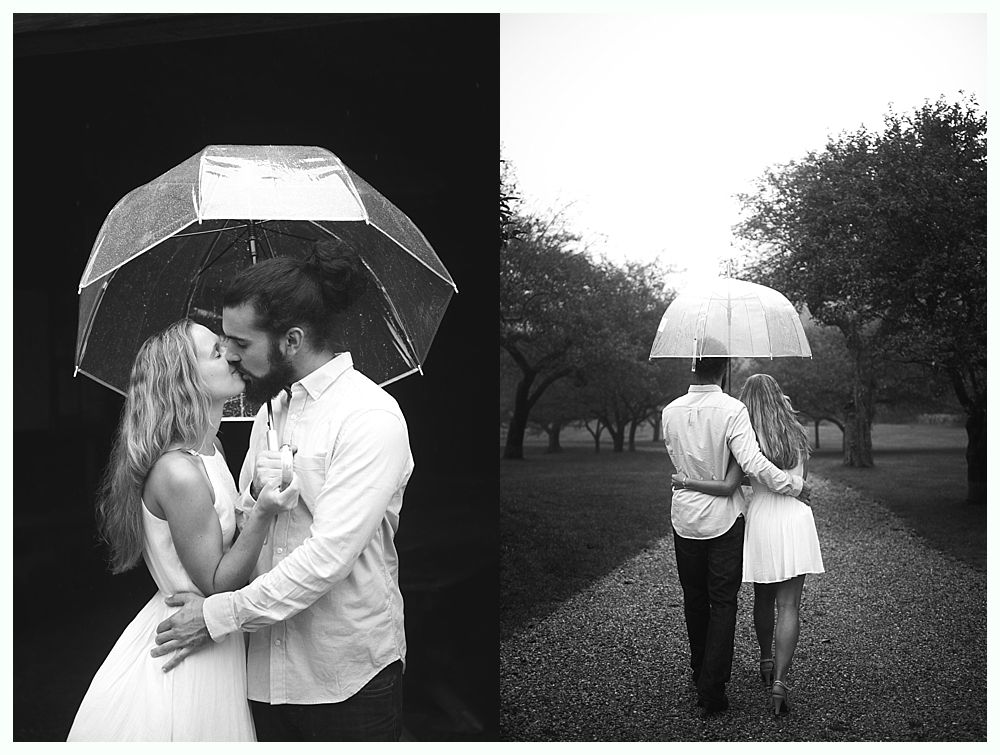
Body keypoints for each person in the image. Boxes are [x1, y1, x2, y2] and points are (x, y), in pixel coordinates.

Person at [151, 240, 414, 741]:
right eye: (223, 340)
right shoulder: (269, 413)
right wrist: (256, 495)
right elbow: (248, 527)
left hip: (342, 678)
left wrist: (215, 616)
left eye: (240, 343)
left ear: (290, 341)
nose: (227, 353)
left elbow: (327, 558)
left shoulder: (369, 416)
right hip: (258, 675)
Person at [68, 319, 298, 741]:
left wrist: (253, 494)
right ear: (185, 379)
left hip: (214, 636)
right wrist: (264, 512)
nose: (231, 355)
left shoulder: (209, 450)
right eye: (214, 352)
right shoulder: (179, 471)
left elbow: (222, 532)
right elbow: (214, 583)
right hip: (188, 646)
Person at [662, 355, 810, 716]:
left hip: (686, 519)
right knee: (725, 603)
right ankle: (717, 684)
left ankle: (705, 673)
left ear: (692, 367)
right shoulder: (733, 411)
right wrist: (793, 484)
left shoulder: (669, 411)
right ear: (724, 369)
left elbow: (683, 462)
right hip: (728, 522)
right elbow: (753, 462)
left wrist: (690, 480)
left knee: (695, 600)